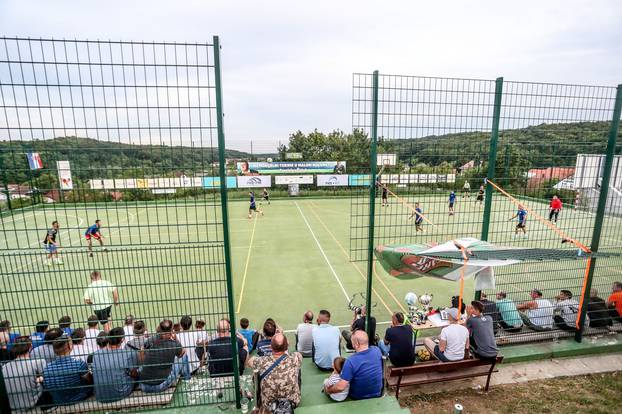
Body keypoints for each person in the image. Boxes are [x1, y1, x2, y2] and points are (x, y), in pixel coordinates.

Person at [246, 333, 302, 411]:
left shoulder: (262, 361)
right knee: (297, 369)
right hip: (292, 402)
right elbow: (299, 355)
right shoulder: (295, 358)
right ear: (287, 346)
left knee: (256, 373)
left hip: (268, 405)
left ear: (270, 346)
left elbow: (249, 362)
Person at [325, 331, 382, 400]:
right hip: (377, 393)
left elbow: (341, 387)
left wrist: (328, 390)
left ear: (357, 343)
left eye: (352, 341)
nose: (352, 344)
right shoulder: (377, 350)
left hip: (358, 397)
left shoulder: (350, 361)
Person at [139, 319, 189, 393]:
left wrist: (144, 363)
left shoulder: (151, 339)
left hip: (144, 385)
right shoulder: (174, 344)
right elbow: (182, 353)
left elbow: (142, 350)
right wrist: (176, 339)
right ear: (172, 330)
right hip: (159, 386)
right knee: (184, 355)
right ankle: (187, 378)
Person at [2, 336, 51, 410]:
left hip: (12, 405)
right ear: (30, 346)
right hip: (33, 402)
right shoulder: (39, 362)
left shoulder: (5, 367)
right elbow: (48, 379)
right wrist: (39, 379)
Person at [92, 327, 137, 402]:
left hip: (100, 395)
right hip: (119, 394)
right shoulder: (126, 354)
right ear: (122, 339)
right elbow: (134, 374)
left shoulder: (96, 354)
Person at [43, 335, 92, 405]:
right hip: (78, 398)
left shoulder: (47, 367)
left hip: (58, 401)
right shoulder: (79, 364)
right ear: (70, 346)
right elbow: (89, 381)